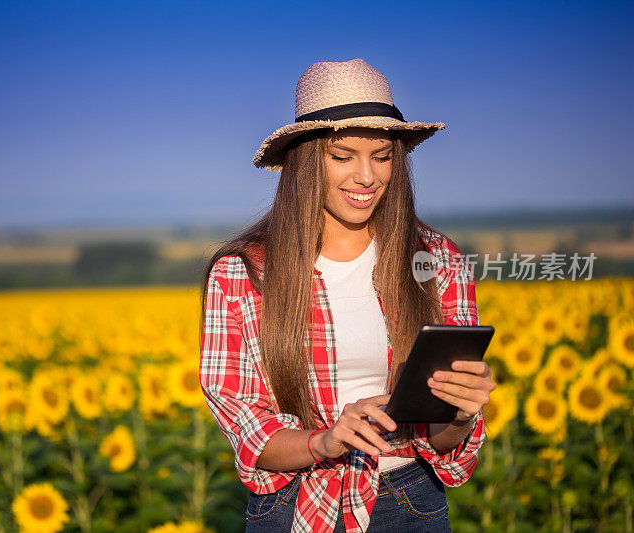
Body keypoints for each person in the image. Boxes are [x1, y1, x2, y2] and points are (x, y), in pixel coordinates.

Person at [198, 58, 495, 533]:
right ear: (304, 160)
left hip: (411, 501)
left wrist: (460, 414)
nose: (367, 176)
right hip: (293, 503)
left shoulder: (438, 260)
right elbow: (247, 429)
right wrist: (325, 440)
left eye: (382, 156)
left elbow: (443, 440)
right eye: (343, 156)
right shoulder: (242, 273)